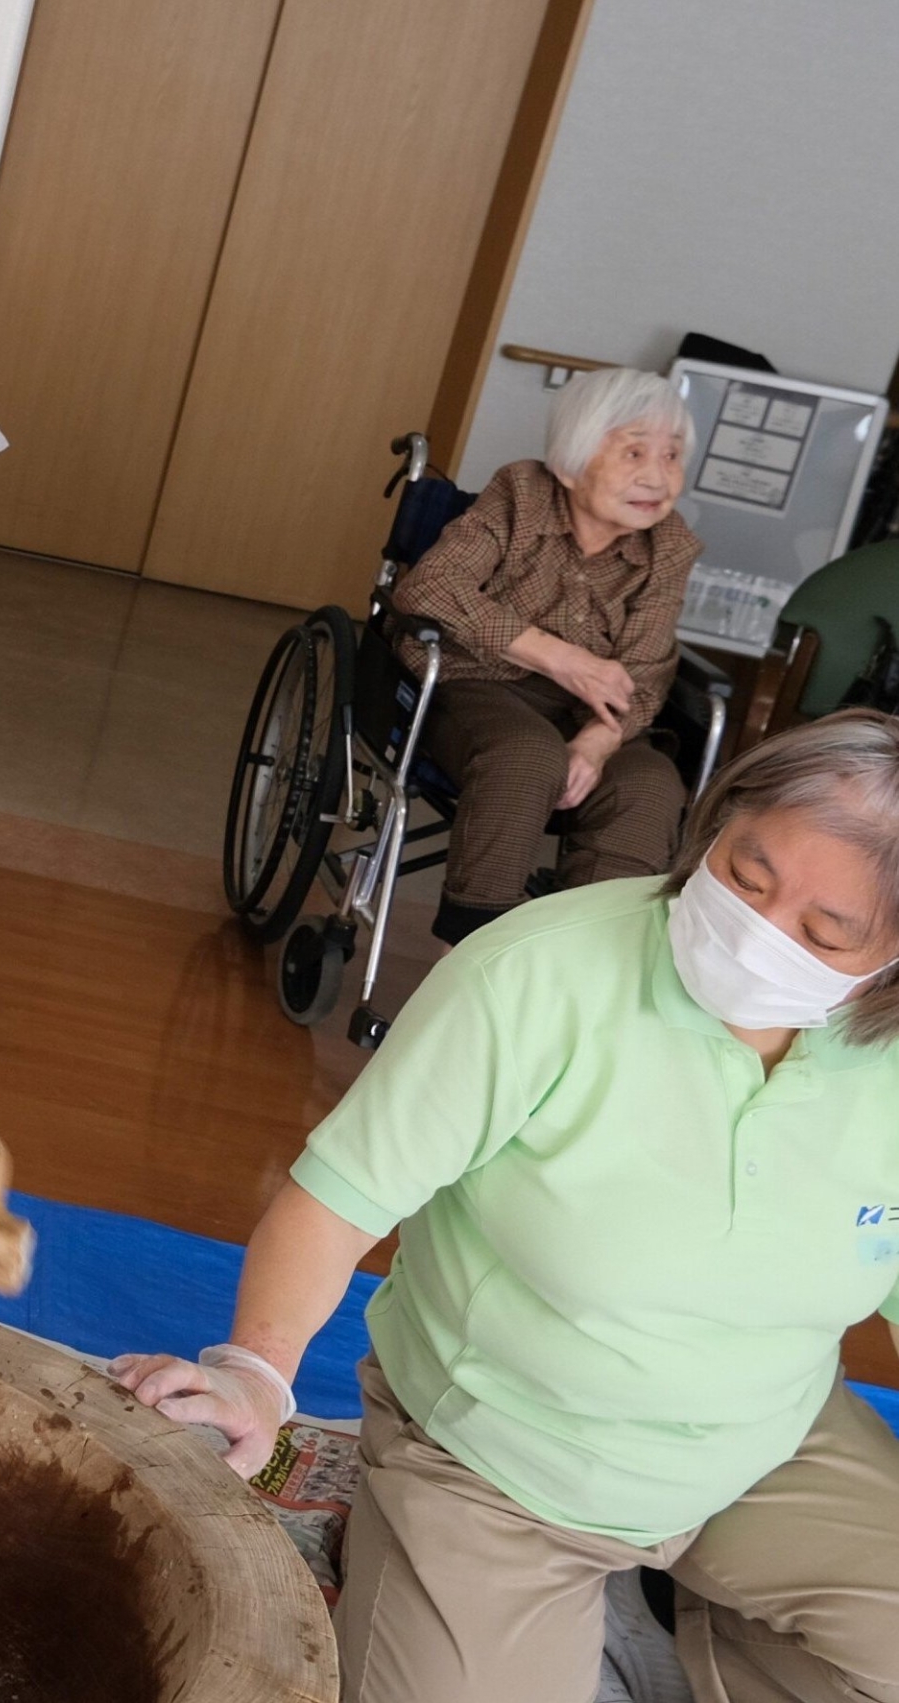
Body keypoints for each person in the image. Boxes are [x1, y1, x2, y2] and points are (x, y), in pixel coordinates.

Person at [115, 713, 899, 1703]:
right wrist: (255, 1374)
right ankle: (429, 1560)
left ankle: (662, 1618)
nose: (757, 930)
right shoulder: (535, 972)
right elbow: (337, 1198)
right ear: (714, 825)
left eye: (824, 932)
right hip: (501, 1459)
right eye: (745, 873)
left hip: (760, 1437)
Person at [392, 367, 703, 944]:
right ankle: (476, 948)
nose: (657, 477)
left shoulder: (670, 544)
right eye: (634, 452)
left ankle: (588, 957)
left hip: (596, 716)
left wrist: (597, 741)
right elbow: (428, 588)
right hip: (477, 684)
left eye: (672, 455)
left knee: (650, 786)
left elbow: (646, 670)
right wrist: (563, 659)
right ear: (571, 463)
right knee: (530, 755)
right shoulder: (521, 495)